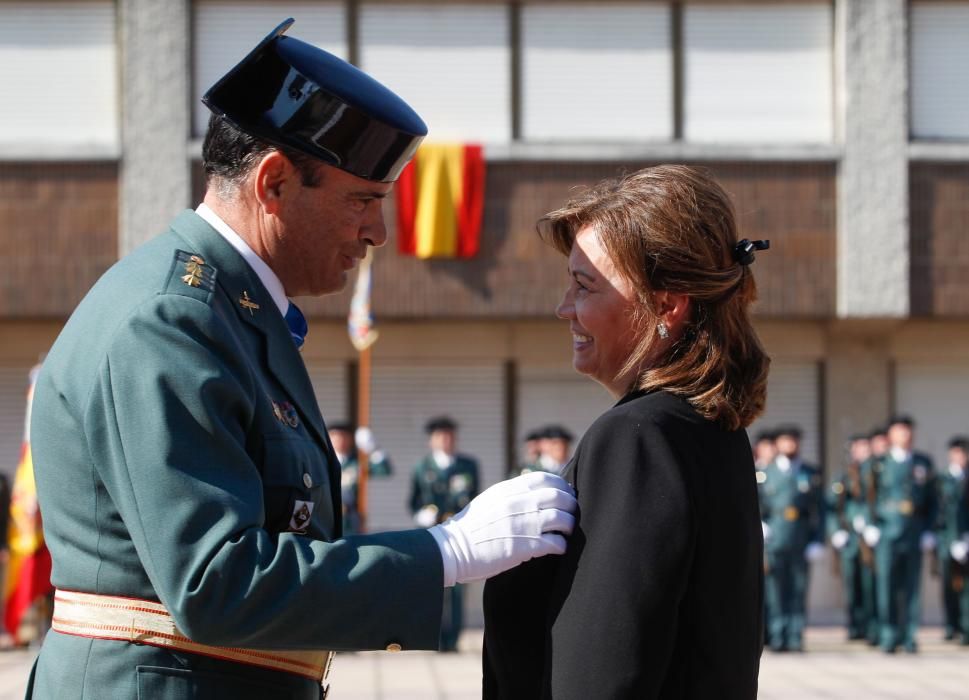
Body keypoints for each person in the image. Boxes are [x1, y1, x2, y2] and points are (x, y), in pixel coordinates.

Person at [26, 20, 577, 699]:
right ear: (275, 183)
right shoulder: (172, 319)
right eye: (363, 201)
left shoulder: (225, 310)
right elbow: (215, 581)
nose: (376, 231)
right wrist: (447, 551)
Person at [483, 165, 769, 698]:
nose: (563, 308)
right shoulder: (708, 429)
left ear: (667, 304)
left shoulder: (638, 437)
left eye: (584, 286)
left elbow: (602, 675)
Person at [408, 416, 480, 652]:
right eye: (440, 436)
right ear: (432, 441)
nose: (446, 440)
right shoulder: (422, 467)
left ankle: (454, 639)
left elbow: (476, 498)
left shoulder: (468, 465)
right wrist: (422, 514)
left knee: (459, 586)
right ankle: (436, 638)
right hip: (432, 535)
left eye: (449, 436)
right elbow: (414, 501)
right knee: (435, 586)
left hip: (461, 531)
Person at [867, 415, 937, 653]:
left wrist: (929, 530)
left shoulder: (923, 462)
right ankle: (888, 634)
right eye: (900, 431)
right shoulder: (879, 463)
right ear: (890, 435)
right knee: (886, 585)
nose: (905, 435)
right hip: (887, 530)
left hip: (914, 530)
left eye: (908, 431)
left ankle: (909, 635)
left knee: (912, 588)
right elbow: (868, 497)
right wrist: (870, 524)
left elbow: (933, 500)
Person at [759, 424, 826, 652]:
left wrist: (818, 539)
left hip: (800, 537)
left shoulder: (810, 472)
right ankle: (778, 635)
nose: (790, 445)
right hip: (775, 537)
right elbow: (757, 506)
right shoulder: (765, 473)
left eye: (794, 440)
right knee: (775, 589)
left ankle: (796, 635)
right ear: (777, 444)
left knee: (798, 589)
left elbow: (820, 509)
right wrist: (762, 525)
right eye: (785, 440)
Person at [828, 434, 878, 642]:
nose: (862, 451)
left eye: (865, 447)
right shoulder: (845, 474)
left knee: (870, 585)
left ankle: (872, 628)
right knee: (852, 584)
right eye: (858, 448)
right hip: (850, 536)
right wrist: (836, 531)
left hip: (869, 536)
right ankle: (855, 626)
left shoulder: (876, 472)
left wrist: (869, 522)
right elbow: (833, 506)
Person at [329, 422, 392, 535]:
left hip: (352, 519)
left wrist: (374, 449)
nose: (339, 440)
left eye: (343, 436)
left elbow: (384, 470)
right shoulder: (324, 462)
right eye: (334, 436)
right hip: (328, 517)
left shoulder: (358, 462)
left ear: (350, 439)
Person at [935, 436, 969, 643]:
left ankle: (966, 627)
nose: (960, 457)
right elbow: (939, 512)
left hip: (967, 539)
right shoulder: (941, 479)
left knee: (966, 586)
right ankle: (950, 625)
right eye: (956, 453)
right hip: (946, 540)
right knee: (949, 585)